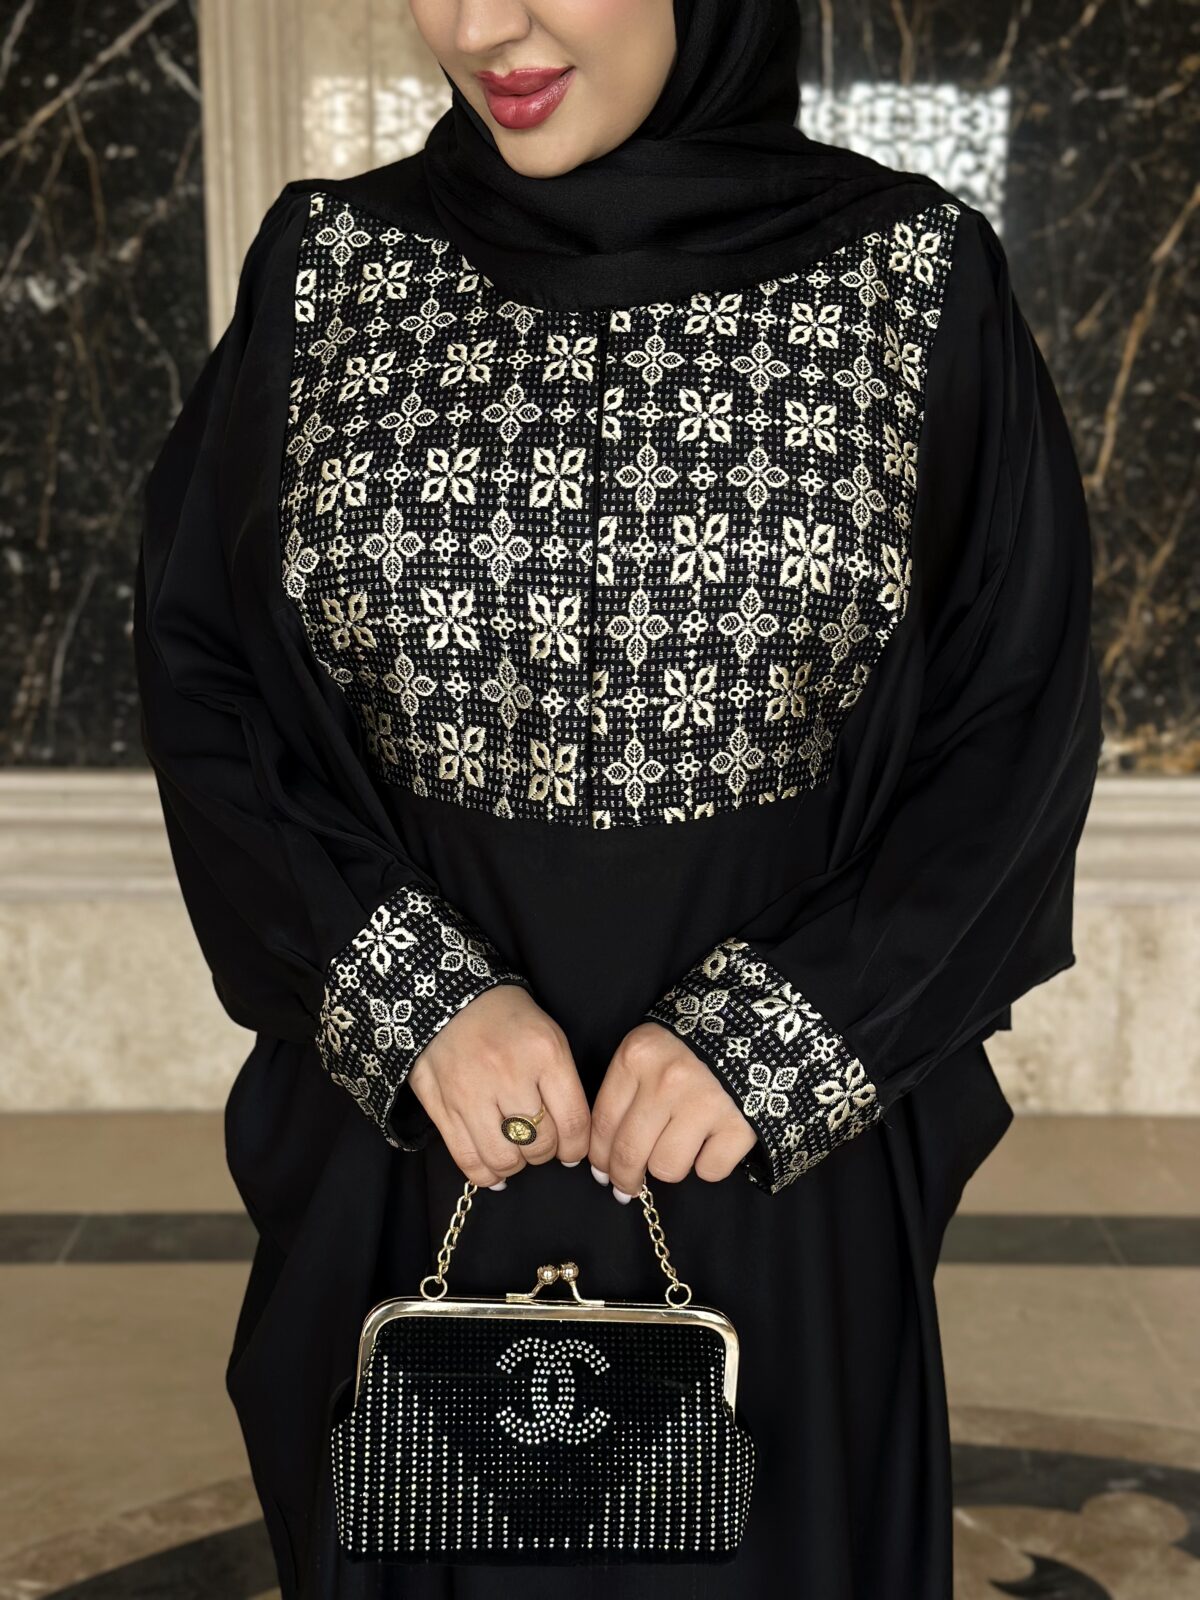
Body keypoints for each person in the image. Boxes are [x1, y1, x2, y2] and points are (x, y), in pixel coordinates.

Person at [132, 0, 1104, 1595]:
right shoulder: (329, 270)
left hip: (765, 1172)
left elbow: (1014, 725)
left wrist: (785, 1032)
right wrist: (407, 996)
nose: (477, 26)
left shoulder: (916, 280)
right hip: (416, 1140)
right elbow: (207, 675)